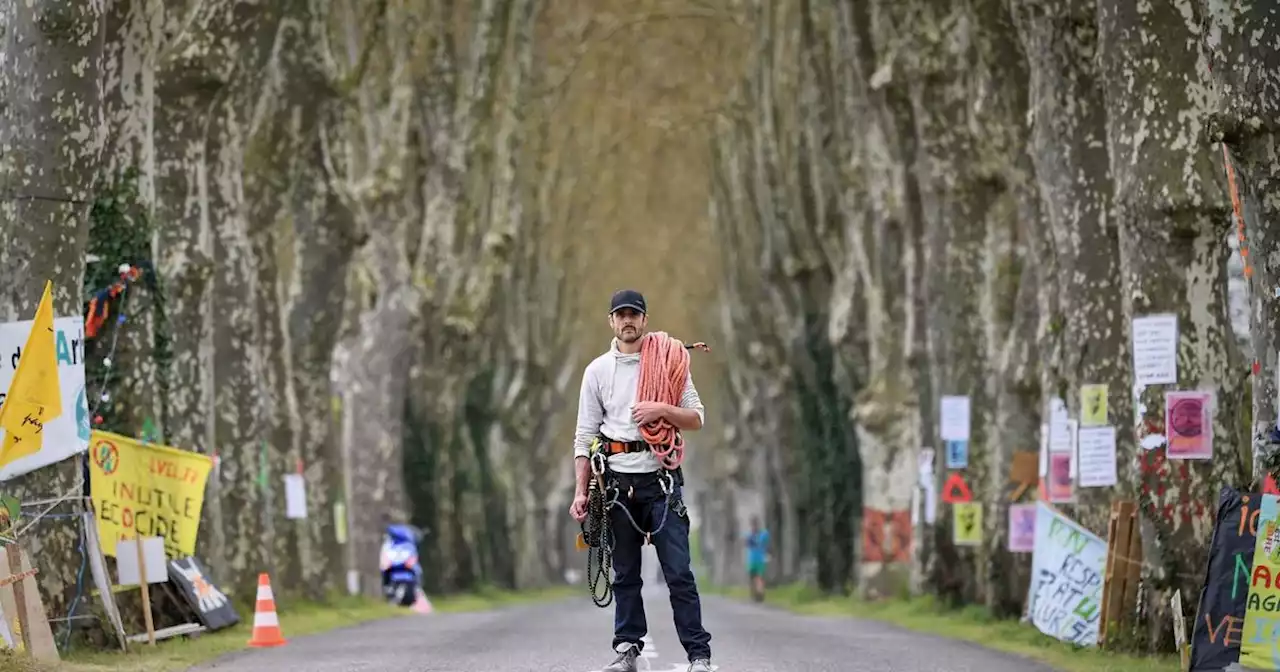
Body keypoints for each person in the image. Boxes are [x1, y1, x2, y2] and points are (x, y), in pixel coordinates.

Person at [569, 289, 713, 672]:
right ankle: (628, 649)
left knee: (679, 572)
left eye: (634, 314)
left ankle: (699, 655)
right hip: (615, 483)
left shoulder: (669, 361)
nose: (628, 320)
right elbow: (584, 436)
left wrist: (661, 409)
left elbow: (696, 417)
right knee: (624, 574)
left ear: (645, 320)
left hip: (661, 482)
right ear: (611, 321)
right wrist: (581, 491)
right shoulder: (597, 371)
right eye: (621, 315)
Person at [745, 517, 769, 602]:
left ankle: (759, 594)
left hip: (756, 559)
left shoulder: (761, 534)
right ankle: (757, 594)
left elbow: (748, 543)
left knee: (758, 577)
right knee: (755, 578)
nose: (754, 526)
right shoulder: (762, 534)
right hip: (754, 559)